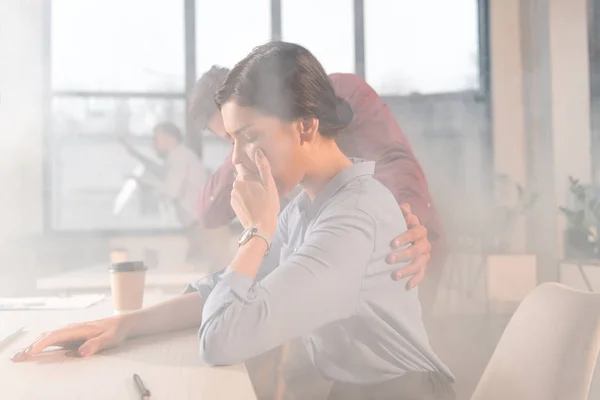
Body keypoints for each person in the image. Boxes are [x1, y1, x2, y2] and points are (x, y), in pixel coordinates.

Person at [13, 42, 454, 400]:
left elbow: (224, 338)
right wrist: (124, 325)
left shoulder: (351, 218)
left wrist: (257, 231)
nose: (238, 161)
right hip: (354, 390)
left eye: (250, 138)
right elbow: (227, 289)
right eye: (231, 142)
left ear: (305, 126)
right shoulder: (306, 207)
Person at [190, 67, 445, 314]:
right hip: (337, 258)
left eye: (246, 130)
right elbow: (208, 212)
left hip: (405, 249)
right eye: (230, 138)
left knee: (405, 340)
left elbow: (393, 161)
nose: (238, 146)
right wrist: (243, 144)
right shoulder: (279, 185)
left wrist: (405, 226)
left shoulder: (344, 93)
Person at [120, 122, 229, 270]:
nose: (153, 145)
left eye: (156, 139)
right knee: (203, 275)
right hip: (201, 227)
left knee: (213, 276)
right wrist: (134, 153)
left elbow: (170, 191)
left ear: (169, 139)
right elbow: (160, 172)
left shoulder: (179, 158)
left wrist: (149, 184)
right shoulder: (177, 157)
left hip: (207, 229)